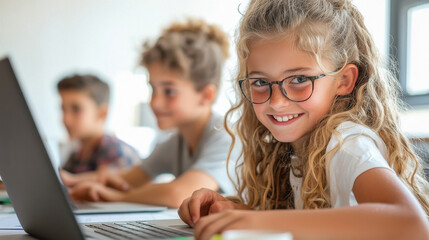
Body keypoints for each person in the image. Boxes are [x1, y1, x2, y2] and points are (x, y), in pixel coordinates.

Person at [178, 0, 429, 239]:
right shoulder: (293, 149)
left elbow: (413, 225)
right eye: (261, 82)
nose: (276, 101)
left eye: (299, 79)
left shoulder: (346, 144)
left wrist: (259, 223)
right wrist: (238, 214)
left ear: (344, 81)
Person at [69, 19, 239, 208]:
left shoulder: (227, 137)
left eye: (169, 92)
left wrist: (116, 197)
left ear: (206, 95)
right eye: (152, 89)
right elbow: (128, 179)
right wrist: (72, 180)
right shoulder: (175, 143)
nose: (155, 102)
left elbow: (180, 193)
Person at [58, 74, 141, 186]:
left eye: (76, 109)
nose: (65, 119)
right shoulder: (75, 155)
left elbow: (120, 180)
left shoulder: (117, 153)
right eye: (63, 109)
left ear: (102, 113)